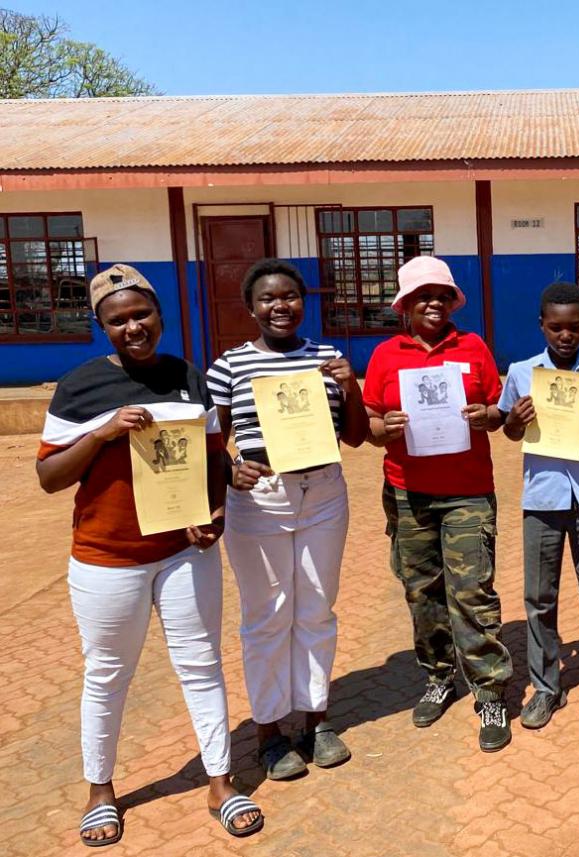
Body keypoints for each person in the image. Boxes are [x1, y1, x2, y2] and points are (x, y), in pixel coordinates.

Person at [36, 265, 263, 846]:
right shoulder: (79, 386)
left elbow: (213, 457)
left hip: (182, 553)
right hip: (107, 557)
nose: (133, 327)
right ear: (101, 326)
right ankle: (100, 791)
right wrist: (102, 433)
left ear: (160, 314)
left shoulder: (186, 376)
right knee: (108, 674)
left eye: (142, 314)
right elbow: (49, 476)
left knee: (202, 663)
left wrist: (213, 514)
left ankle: (219, 781)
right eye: (118, 320)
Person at [207, 259, 367, 780]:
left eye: (290, 297)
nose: (281, 307)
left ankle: (317, 720)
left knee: (317, 609)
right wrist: (230, 470)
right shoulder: (228, 366)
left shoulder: (328, 357)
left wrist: (352, 387)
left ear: (304, 301)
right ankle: (271, 732)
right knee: (267, 616)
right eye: (269, 299)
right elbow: (212, 442)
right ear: (251, 308)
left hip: (322, 494)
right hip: (261, 502)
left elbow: (357, 435)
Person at [362, 255, 514, 752]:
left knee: (471, 591)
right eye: (421, 296)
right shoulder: (386, 354)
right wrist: (387, 428)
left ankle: (489, 691)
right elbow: (369, 424)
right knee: (422, 593)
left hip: (467, 491)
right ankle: (439, 675)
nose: (433, 303)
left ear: (452, 302)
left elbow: (498, 411)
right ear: (405, 305)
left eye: (441, 295)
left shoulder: (473, 348)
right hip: (408, 491)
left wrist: (484, 416)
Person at [498, 282, 579, 731]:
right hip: (542, 495)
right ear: (542, 326)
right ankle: (546, 688)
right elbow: (509, 430)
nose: (564, 336)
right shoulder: (522, 372)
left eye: (573, 327)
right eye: (555, 327)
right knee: (539, 598)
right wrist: (514, 420)